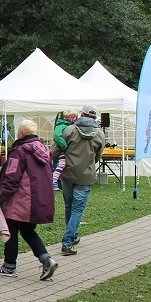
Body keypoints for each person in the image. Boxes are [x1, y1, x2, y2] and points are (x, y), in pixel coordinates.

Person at [0, 120, 58, 280]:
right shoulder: (44, 149)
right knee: (27, 230)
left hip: (21, 200)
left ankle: (9, 266)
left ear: (21, 133)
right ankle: (46, 260)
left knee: (11, 230)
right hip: (38, 199)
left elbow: (11, 178)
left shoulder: (19, 151)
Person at [52, 104, 104, 255]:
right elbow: (98, 156)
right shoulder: (99, 134)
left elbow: (55, 151)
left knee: (69, 206)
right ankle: (68, 241)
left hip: (68, 173)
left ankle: (72, 237)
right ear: (94, 117)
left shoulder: (69, 130)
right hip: (86, 175)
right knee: (77, 209)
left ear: (82, 114)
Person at [51, 110, 77, 190]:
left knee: (60, 166)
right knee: (60, 165)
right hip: (61, 150)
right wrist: (65, 146)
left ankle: (57, 183)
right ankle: (53, 183)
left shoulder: (65, 126)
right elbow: (56, 136)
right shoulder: (61, 126)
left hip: (62, 149)